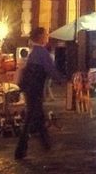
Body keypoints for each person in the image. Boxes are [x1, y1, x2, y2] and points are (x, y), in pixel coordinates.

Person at [15, 27, 61, 160]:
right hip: (35, 89)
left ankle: (44, 145)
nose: (47, 36)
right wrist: (63, 80)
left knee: (37, 117)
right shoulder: (41, 52)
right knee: (31, 118)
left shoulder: (33, 51)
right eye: (46, 34)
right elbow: (51, 70)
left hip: (30, 89)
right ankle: (22, 150)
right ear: (40, 36)